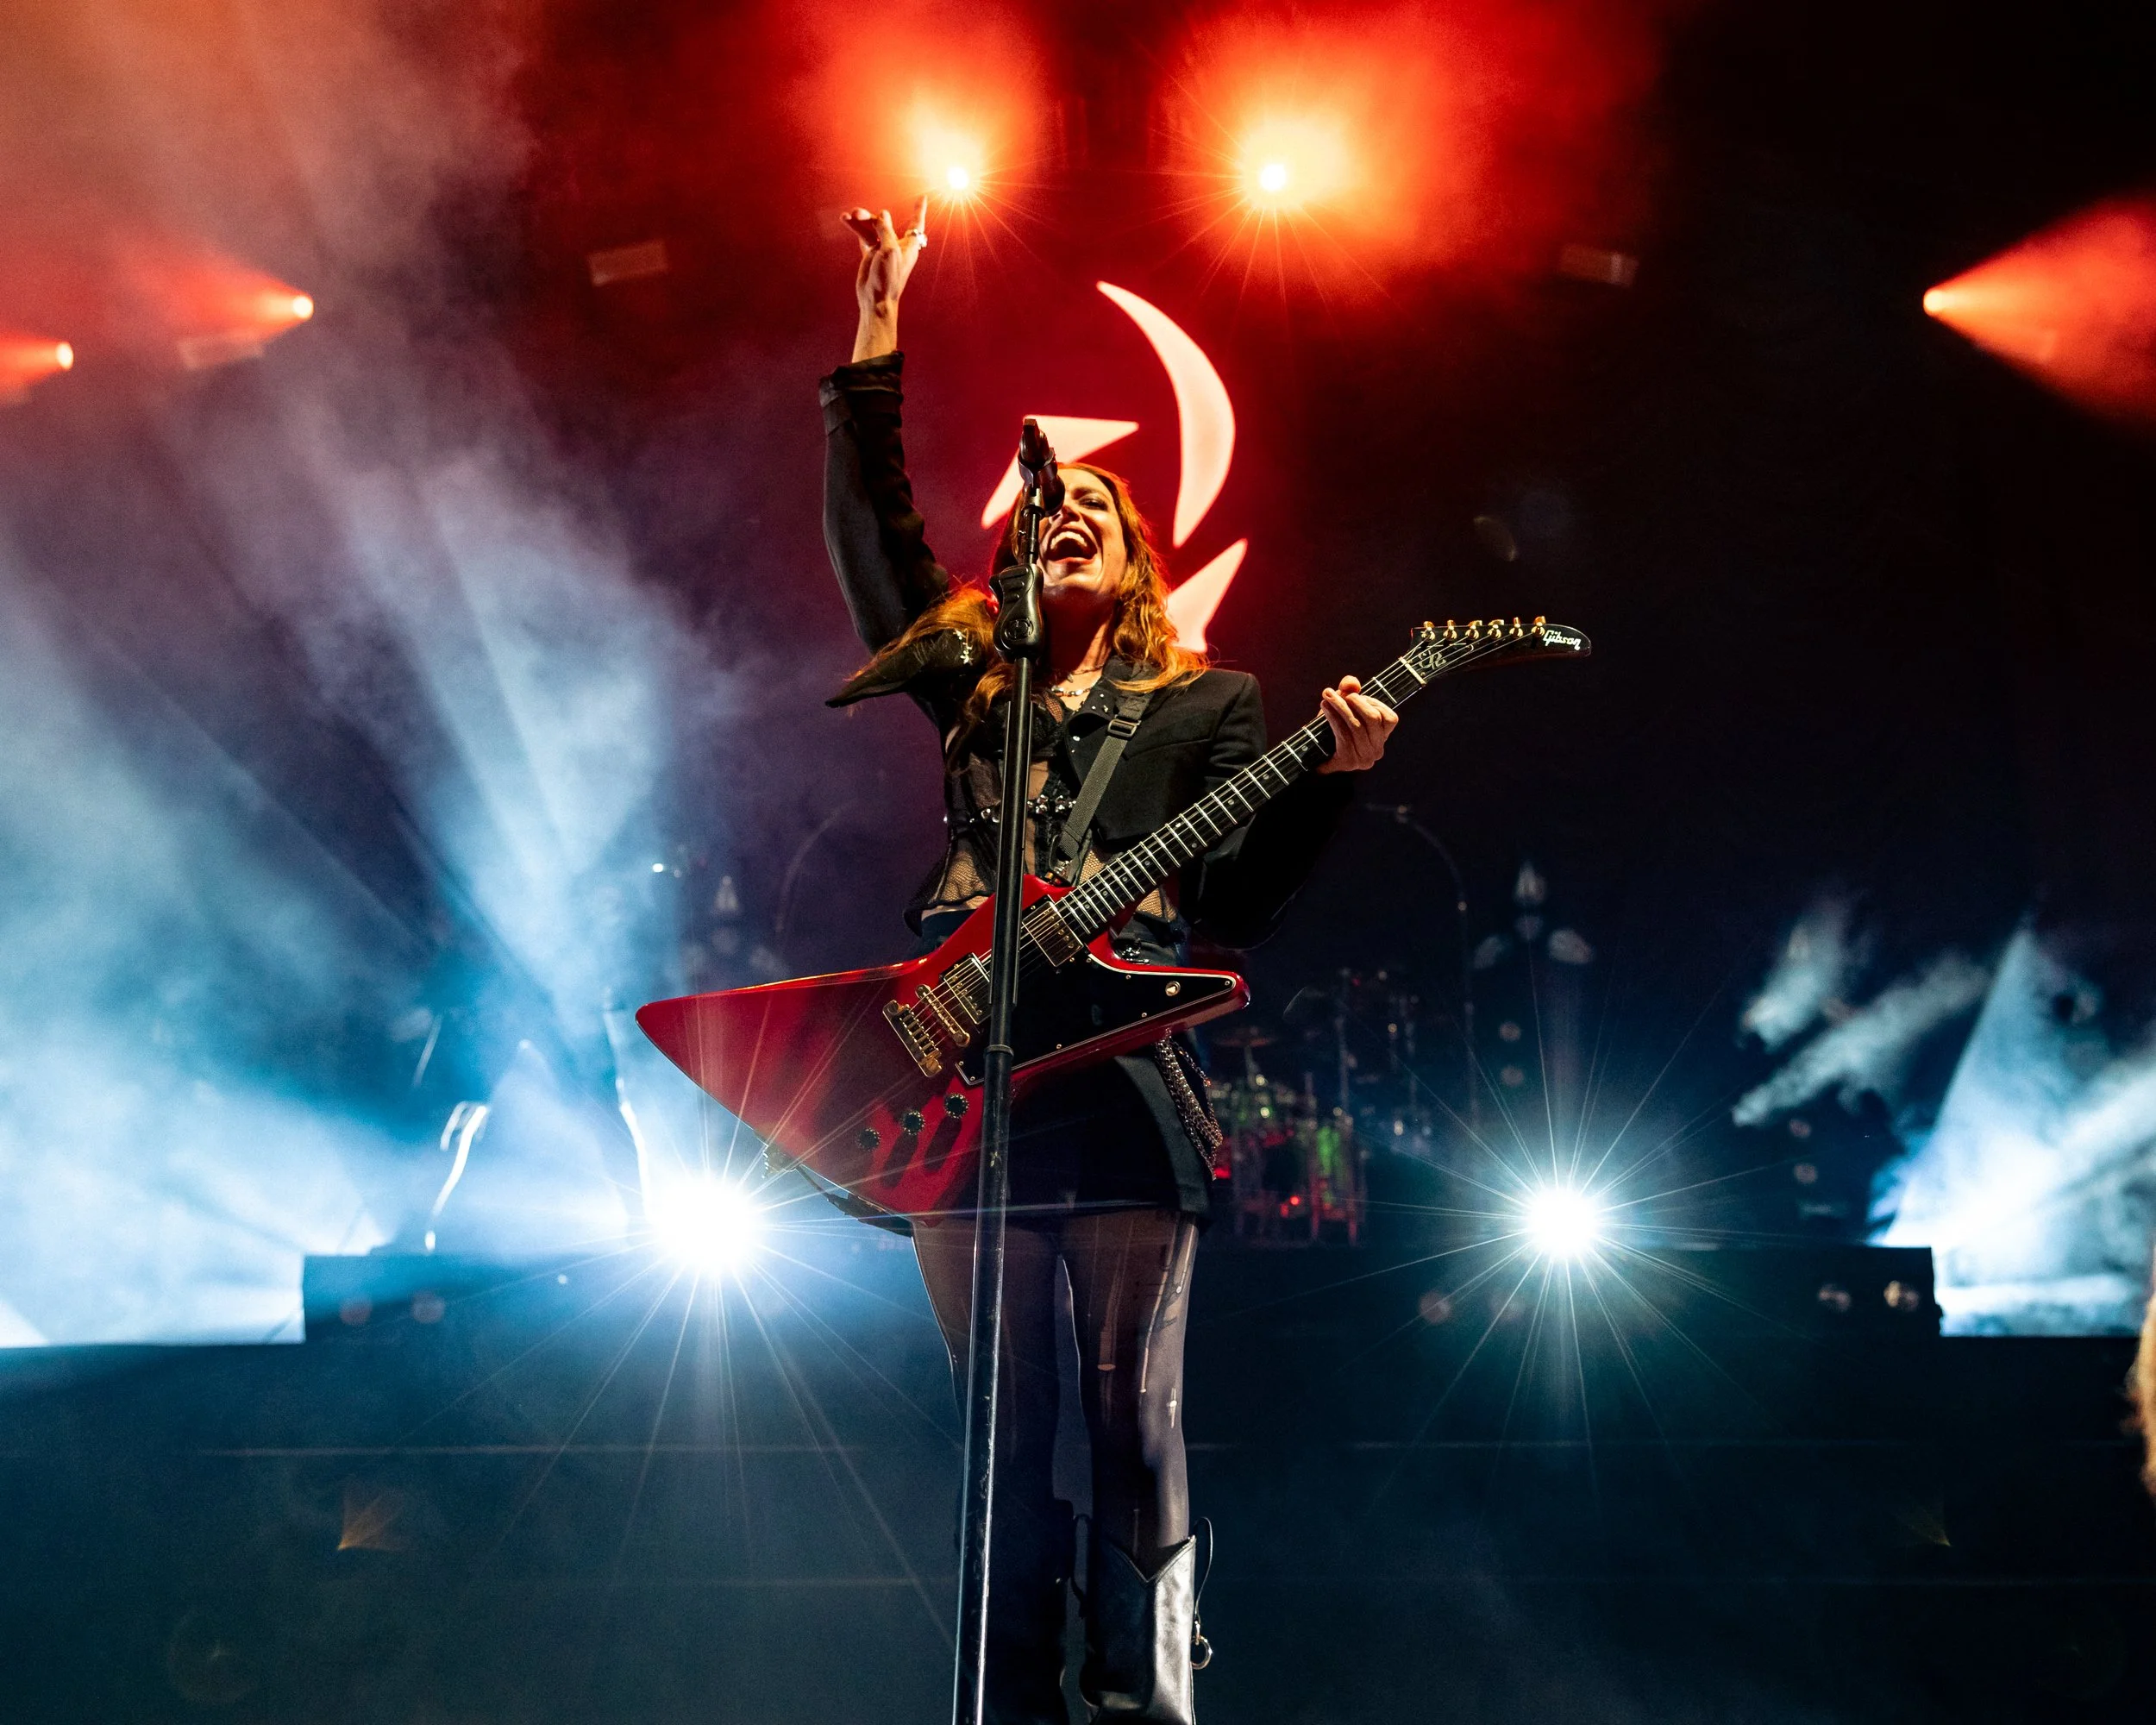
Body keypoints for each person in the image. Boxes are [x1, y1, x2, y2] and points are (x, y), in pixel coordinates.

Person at [819, 198, 1398, 1725]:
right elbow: (876, 546)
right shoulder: (976, 685)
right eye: (1047, 505)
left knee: (1132, 1418)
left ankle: (1151, 1702)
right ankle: (1006, 1703)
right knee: (998, 1437)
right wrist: (874, 335)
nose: (1065, 510)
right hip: (969, 1080)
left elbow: (1240, 907)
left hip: (1126, 1082)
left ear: (1138, 558)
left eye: (1096, 505)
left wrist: (1331, 785)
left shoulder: (1210, 707)